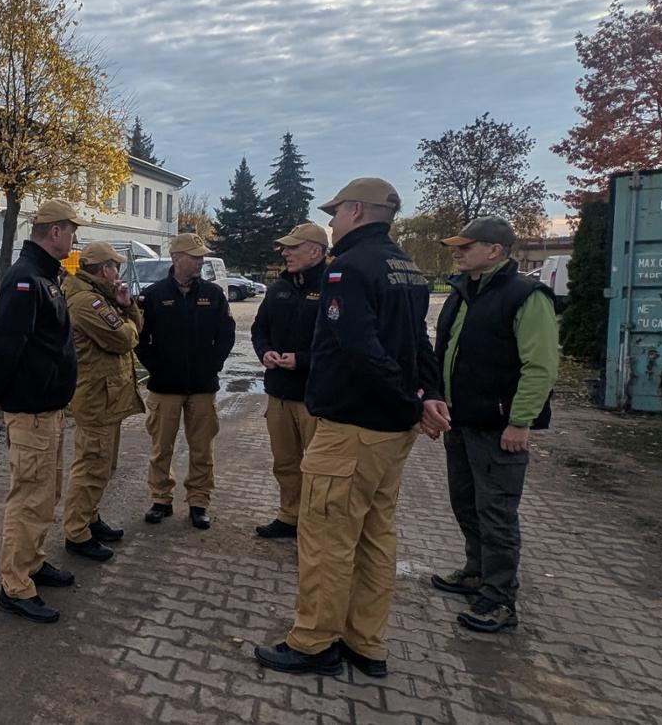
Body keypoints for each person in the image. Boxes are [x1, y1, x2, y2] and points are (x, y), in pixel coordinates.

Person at [255, 177, 445, 678]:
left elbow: (362, 350)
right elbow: (419, 344)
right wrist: (431, 395)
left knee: (326, 539)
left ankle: (315, 642)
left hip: (352, 430)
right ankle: (367, 641)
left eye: (336, 213)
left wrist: (411, 401)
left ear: (357, 211)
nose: (333, 221)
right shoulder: (408, 268)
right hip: (390, 435)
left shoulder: (348, 271)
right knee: (375, 537)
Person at [428, 216, 559, 634]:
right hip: (461, 421)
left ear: (495, 251)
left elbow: (540, 365)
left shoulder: (526, 295)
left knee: (497, 512)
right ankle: (476, 572)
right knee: (466, 503)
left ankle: (500, 598)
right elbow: (445, 350)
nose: (457, 252)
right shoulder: (462, 292)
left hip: (499, 427)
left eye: (466, 246)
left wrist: (520, 422)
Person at [0, 200, 88, 624]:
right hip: (29, 410)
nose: (75, 239)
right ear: (54, 232)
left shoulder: (47, 276)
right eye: (72, 232)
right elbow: (9, 343)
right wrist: (0, 391)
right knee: (29, 497)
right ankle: (15, 585)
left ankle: (32, 562)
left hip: (48, 408)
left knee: (47, 493)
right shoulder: (26, 279)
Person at [135, 233, 235, 531]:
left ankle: (199, 502)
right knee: (161, 446)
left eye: (202, 257)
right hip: (165, 387)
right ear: (177, 258)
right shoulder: (153, 295)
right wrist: (156, 367)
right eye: (195, 257)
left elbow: (227, 333)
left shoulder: (214, 294)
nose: (201, 262)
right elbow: (140, 338)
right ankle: (161, 498)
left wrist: (212, 364)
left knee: (201, 448)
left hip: (203, 387)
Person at [60, 241, 144, 563]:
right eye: (115, 267)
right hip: (97, 400)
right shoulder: (85, 303)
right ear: (103, 269)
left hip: (108, 398)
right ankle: (77, 533)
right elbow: (124, 339)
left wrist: (127, 307)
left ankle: (90, 518)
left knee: (103, 466)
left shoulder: (103, 299)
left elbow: (134, 328)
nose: (118, 273)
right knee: (91, 468)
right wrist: (126, 322)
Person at [250, 222, 329, 540]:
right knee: (285, 461)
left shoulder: (334, 286)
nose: (285, 252)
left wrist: (302, 360)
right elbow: (259, 329)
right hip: (279, 394)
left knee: (319, 468)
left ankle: (315, 525)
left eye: (292, 247)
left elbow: (342, 344)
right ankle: (289, 516)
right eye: (285, 247)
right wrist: (265, 352)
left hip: (315, 396)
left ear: (316, 251)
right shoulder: (278, 288)